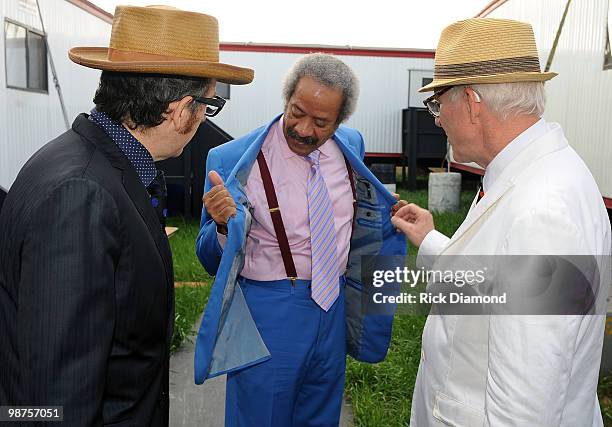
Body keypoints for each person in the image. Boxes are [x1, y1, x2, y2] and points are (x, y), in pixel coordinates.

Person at [0, 6, 253, 426]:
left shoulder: (97, 163)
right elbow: (56, 400)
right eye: (209, 106)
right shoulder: (81, 193)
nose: (204, 120)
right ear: (181, 108)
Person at [391, 18, 612, 426]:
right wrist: (431, 239)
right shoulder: (522, 174)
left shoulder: (542, 213)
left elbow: (525, 411)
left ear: (473, 101)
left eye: (438, 104)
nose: (436, 119)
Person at [194, 53, 406, 427]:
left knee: (321, 416)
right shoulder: (230, 160)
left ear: (340, 122)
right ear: (286, 98)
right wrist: (223, 226)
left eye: (321, 122)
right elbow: (208, 258)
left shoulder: (350, 145)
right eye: (297, 112)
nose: (305, 129)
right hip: (269, 311)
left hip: (333, 307)